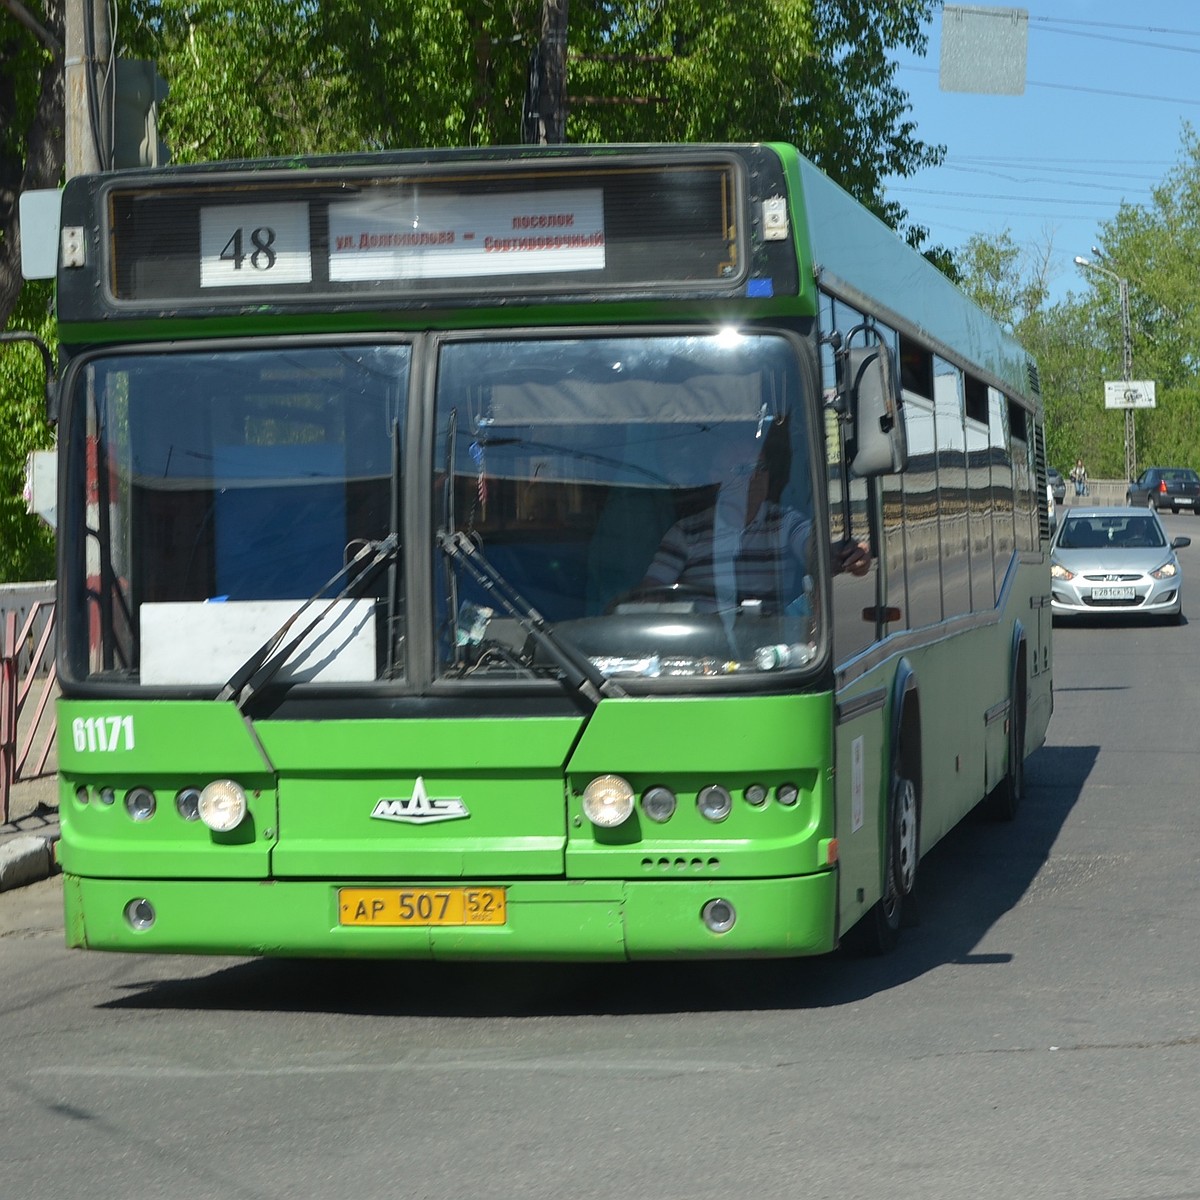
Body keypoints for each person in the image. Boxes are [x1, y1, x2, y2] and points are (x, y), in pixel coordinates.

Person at [636, 423, 870, 614]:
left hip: (768, 657)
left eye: (761, 468)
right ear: (715, 477)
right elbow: (652, 592)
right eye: (742, 470)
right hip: (700, 656)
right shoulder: (685, 533)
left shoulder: (784, 523)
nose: (756, 477)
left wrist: (848, 555)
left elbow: (815, 549)